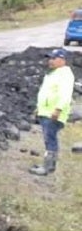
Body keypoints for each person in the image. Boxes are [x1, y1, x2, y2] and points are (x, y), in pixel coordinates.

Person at [30, 47, 75, 175]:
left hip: (53, 113)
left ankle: (48, 167)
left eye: (53, 58)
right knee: (47, 138)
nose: (50, 61)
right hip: (46, 112)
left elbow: (65, 94)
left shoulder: (65, 74)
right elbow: (46, 93)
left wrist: (58, 109)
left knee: (50, 138)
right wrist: (39, 108)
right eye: (50, 58)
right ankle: (48, 165)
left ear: (62, 59)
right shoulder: (53, 73)